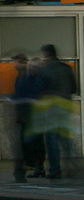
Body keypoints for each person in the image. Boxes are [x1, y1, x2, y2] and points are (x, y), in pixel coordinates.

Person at [34, 44, 78, 180]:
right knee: (65, 139)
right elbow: (73, 88)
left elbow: (40, 91)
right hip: (65, 107)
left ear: (46, 55)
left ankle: (55, 170)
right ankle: (71, 166)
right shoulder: (67, 68)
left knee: (52, 141)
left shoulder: (45, 70)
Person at [8, 53, 39, 182]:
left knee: (28, 139)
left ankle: (31, 163)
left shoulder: (27, 76)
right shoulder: (20, 76)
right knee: (24, 139)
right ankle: (26, 164)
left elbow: (27, 94)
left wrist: (15, 99)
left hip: (28, 112)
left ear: (22, 63)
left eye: (16, 62)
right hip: (23, 112)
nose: (14, 65)